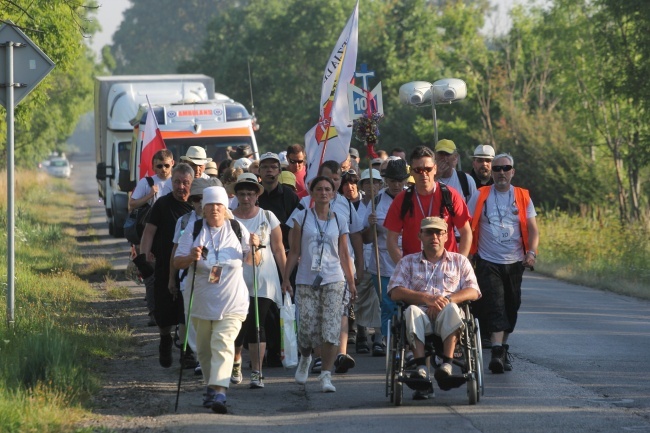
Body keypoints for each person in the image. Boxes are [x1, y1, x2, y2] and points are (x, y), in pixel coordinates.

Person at [173, 186, 261, 414]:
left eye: (218, 205)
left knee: (222, 343)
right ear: (203, 207)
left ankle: (219, 391)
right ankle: (211, 388)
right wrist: (191, 256)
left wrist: (255, 247)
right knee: (203, 350)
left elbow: (253, 260)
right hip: (201, 301)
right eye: (210, 205)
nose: (214, 209)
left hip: (232, 302)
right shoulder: (193, 230)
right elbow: (177, 263)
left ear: (225, 208)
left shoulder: (236, 228)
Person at [388, 216, 481, 399]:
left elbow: (474, 290)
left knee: (453, 309)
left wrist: (446, 300)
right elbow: (394, 291)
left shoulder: (459, 261)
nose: (434, 237)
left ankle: (447, 364)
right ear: (420, 235)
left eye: (439, 233)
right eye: (429, 232)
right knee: (411, 311)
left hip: (448, 316)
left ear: (447, 236)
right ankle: (421, 367)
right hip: (420, 314)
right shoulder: (407, 262)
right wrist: (426, 298)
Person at [283, 176, 357, 393]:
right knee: (306, 329)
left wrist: (351, 282)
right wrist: (286, 278)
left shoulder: (340, 220)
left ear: (333, 194)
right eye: (319, 189)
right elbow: (294, 250)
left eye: (328, 189)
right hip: (306, 279)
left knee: (331, 329)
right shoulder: (301, 217)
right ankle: (305, 357)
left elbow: (344, 253)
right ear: (312, 194)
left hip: (334, 279)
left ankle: (326, 374)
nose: (324, 193)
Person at [467, 153, 539, 374]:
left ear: (512, 172)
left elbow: (533, 228)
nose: (500, 173)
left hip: (515, 261)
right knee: (495, 304)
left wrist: (532, 252)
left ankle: (503, 347)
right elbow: (466, 225)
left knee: (511, 306)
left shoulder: (522, 196)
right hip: (488, 260)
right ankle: (496, 351)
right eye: (497, 169)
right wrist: (467, 256)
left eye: (505, 168)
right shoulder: (481, 195)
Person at [231, 173, 288, 389]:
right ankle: (236, 361)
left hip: (263, 278)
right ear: (236, 195)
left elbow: (278, 248)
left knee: (257, 324)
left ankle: (257, 371)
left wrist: (285, 278)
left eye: (250, 194)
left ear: (257, 196)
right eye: (242, 194)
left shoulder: (267, 216)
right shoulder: (229, 217)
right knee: (238, 324)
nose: (246, 198)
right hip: (236, 278)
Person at [140, 163, 194, 368]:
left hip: (189, 267)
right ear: (171, 183)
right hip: (164, 264)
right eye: (177, 182)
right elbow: (149, 233)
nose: (181, 187)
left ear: (192, 183)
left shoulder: (197, 207)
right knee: (164, 314)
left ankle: (186, 351)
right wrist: (144, 259)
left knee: (185, 310)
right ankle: (165, 339)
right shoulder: (162, 204)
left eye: (185, 182)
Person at [384, 146, 472, 267]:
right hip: (414, 268)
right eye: (418, 170)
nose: (424, 174)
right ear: (411, 172)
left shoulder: (450, 195)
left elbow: (466, 232)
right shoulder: (402, 199)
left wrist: (459, 265)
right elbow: (391, 239)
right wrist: (403, 267)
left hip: (446, 267)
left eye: (428, 169)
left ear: (435, 169)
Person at [256, 152, 300, 367]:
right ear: (260, 172)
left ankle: (282, 349)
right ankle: (267, 351)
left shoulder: (289, 197)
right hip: (260, 258)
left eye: (274, 167)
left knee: (283, 302)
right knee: (265, 306)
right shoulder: (255, 196)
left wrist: (295, 254)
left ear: (279, 171)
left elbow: (296, 227)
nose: (270, 171)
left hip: (286, 256)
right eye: (266, 167)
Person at [363, 158, 409, 349]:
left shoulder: (411, 198)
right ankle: (387, 340)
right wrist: (372, 225)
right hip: (382, 262)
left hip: (407, 260)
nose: (396, 185)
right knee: (387, 304)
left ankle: (407, 339)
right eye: (392, 180)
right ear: (386, 181)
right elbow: (365, 237)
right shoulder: (376, 201)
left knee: (406, 302)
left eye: (400, 180)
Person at [128, 149, 174, 326]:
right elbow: (131, 205)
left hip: (170, 235)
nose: (163, 169)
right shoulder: (146, 182)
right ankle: (154, 313)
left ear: (172, 164)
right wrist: (149, 195)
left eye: (166, 165)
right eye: (159, 166)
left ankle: (170, 312)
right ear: (154, 167)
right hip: (150, 234)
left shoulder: (176, 182)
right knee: (151, 276)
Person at [353, 169, 384, 355]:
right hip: (361, 258)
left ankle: (379, 337)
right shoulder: (355, 207)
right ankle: (362, 334)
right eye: (367, 183)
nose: (371, 186)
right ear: (362, 186)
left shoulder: (382, 203)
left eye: (375, 182)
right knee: (361, 299)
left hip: (380, 259)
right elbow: (359, 236)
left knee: (379, 301)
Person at [434, 139, 477, 204]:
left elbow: (474, 207)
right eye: (441, 154)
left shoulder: (466, 180)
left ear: (455, 157)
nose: (444, 158)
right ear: (435, 157)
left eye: (447, 154)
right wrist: (436, 176)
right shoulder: (427, 178)